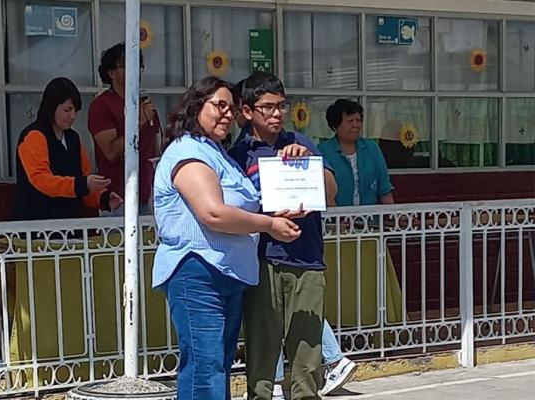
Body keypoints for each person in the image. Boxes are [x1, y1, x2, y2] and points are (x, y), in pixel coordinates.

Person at [152, 76, 303, 400]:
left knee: (218, 363)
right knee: (205, 366)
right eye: (219, 105)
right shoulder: (188, 150)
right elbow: (214, 214)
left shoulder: (218, 152)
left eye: (231, 109)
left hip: (228, 274)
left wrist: (281, 209)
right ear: (196, 106)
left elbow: (245, 205)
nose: (227, 114)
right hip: (197, 272)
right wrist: (269, 224)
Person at [228, 71, 338, 400]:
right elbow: (235, 210)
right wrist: (269, 219)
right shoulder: (239, 156)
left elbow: (331, 193)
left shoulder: (302, 142)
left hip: (307, 257)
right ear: (247, 111)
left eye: (281, 106)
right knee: (262, 347)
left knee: (307, 350)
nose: (277, 114)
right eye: (268, 107)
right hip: (262, 260)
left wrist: (310, 164)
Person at [315, 98, 395, 395]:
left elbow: (384, 187)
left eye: (359, 119)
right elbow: (324, 193)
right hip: (335, 232)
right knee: (339, 286)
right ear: (336, 124)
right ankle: (340, 335)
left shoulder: (371, 148)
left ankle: (376, 334)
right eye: (350, 120)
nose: (356, 124)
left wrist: (395, 217)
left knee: (371, 284)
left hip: (369, 228)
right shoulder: (323, 151)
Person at [14, 77, 121, 221]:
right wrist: (82, 184)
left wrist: (103, 198)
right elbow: (40, 179)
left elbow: (84, 180)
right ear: (51, 107)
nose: (73, 116)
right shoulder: (34, 135)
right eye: (67, 110)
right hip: (37, 225)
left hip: (70, 224)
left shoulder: (73, 138)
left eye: (75, 111)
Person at [88, 42, 162, 214]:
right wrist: (139, 122)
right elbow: (111, 152)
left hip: (148, 195)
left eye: (138, 65)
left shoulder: (144, 104)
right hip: (118, 198)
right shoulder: (102, 105)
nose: (134, 70)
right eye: (127, 65)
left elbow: (156, 145)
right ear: (111, 73)